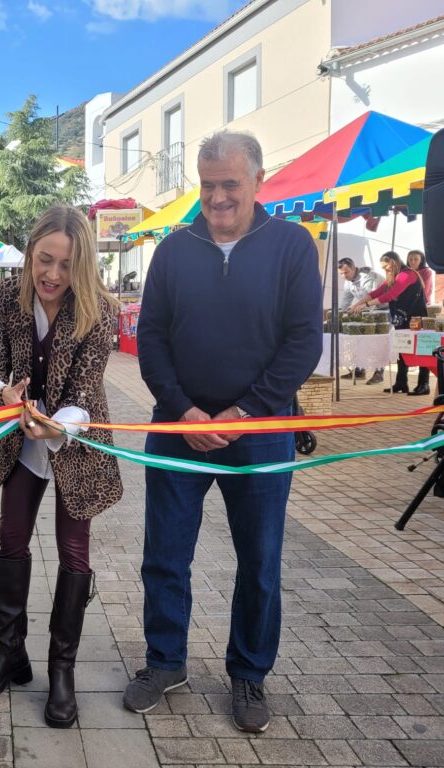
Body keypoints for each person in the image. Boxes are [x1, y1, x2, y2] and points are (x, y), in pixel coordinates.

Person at [126, 131, 322, 733]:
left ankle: (250, 674)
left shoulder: (291, 244)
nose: (217, 197)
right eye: (207, 185)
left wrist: (244, 413)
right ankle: (165, 661)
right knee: (164, 555)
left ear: (258, 180)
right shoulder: (173, 250)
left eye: (229, 184)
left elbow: (303, 342)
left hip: (260, 432)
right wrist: (181, 409)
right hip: (177, 429)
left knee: (260, 560)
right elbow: (151, 338)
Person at [0, 206, 123, 728]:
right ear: (31, 253)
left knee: (73, 553)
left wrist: (61, 425)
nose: (52, 274)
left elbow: (85, 389)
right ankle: (10, 654)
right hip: (23, 442)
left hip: (74, 444)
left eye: (65, 264)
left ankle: (62, 670)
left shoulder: (98, 309)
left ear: (81, 267)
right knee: (11, 541)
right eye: (44, 259)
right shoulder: (10, 296)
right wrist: (1, 391)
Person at [350, 251, 430, 395]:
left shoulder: (407, 274)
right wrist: (357, 304)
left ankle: (423, 384)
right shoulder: (394, 276)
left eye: (386, 266)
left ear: (393, 262)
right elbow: (377, 292)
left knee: (421, 350)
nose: (385, 270)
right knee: (402, 349)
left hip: (416, 317)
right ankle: (401, 382)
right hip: (402, 318)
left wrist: (366, 305)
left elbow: (390, 295)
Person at [338, 257, 385, 385]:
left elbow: (371, 297)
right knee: (359, 338)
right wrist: (339, 313)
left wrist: (365, 316)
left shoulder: (369, 277)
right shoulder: (348, 281)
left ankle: (379, 372)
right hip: (367, 310)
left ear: (354, 268)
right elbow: (346, 299)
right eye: (341, 273)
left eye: (346, 272)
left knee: (377, 341)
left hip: (382, 311)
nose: (343, 276)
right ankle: (359, 370)